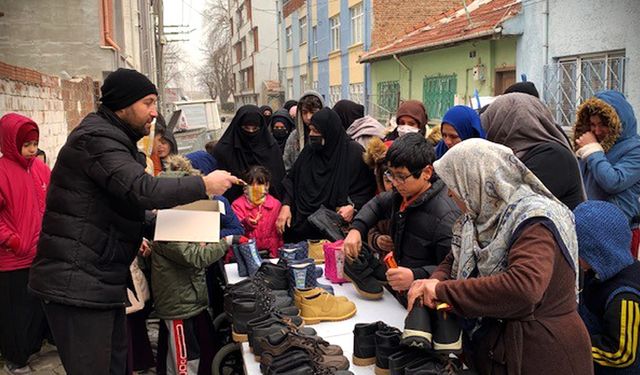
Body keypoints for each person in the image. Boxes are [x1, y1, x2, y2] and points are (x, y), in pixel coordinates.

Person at [28, 68, 241, 375]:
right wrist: (204, 185)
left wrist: (194, 225)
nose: (155, 112)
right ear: (122, 105)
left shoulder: (115, 138)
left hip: (101, 279)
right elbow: (140, 190)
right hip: (78, 284)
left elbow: (129, 208)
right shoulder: (96, 140)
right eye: (148, 102)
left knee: (116, 367)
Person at [408, 138, 592, 375]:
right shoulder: (480, 216)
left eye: (453, 185)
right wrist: (434, 281)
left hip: (541, 354)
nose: (451, 195)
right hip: (498, 349)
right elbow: (454, 259)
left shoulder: (535, 221)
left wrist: (443, 291)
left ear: (476, 180)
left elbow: (524, 288)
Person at [343, 133, 460, 296]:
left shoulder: (445, 215)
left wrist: (415, 275)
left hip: (423, 298)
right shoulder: (402, 195)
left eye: (401, 176)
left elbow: (451, 268)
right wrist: (356, 229)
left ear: (427, 172)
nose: (394, 183)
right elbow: (376, 204)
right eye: (390, 174)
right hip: (400, 291)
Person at [0, 113, 51, 374]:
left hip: (41, 253)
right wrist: (13, 240)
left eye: (34, 144)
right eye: (26, 145)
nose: (32, 150)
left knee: (38, 307)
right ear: (10, 143)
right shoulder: (1, 173)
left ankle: (36, 345)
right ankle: (16, 358)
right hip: (13, 258)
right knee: (15, 313)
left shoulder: (41, 169)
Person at [277, 108, 375, 243]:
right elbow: (291, 180)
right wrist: (286, 206)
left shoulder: (353, 153)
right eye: (310, 129)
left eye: (317, 131)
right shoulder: (309, 152)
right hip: (301, 231)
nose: (311, 134)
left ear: (330, 132)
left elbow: (367, 191)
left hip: (334, 233)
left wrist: (353, 207)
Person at [482, 92, 585, 210]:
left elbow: (510, 206)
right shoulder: (521, 154)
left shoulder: (552, 158)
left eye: (492, 121)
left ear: (504, 125)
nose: (488, 130)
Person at [575, 201, 640, 374]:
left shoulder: (624, 296)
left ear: (596, 252)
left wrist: (571, 347)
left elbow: (621, 353)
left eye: (578, 250)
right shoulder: (598, 272)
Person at [573, 90, 640, 225]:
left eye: (603, 125)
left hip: (618, 228)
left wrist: (592, 151)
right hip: (588, 222)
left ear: (617, 123)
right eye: (592, 125)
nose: (597, 131)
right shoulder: (594, 144)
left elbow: (613, 182)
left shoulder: (635, 149)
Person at [213, 105, 285, 203]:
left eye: (255, 129)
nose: (250, 132)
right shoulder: (224, 150)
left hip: (269, 209)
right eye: (246, 128)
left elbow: (278, 182)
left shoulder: (271, 148)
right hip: (234, 210)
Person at [232, 165, 283, 258]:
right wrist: (247, 223)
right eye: (251, 184)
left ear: (267, 185)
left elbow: (279, 236)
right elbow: (235, 231)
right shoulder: (237, 205)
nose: (255, 187)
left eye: (259, 184)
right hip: (247, 255)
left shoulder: (276, 205)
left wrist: (277, 254)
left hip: (272, 254)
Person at [362, 138, 395, 256]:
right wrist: (377, 240)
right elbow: (371, 229)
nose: (393, 185)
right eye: (387, 180)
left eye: (398, 177)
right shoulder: (379, 204)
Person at [283, 90, 324, 171]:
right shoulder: (294, 137)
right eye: (304, 112)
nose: (308, 117)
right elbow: (287, 166)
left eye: (313, 112)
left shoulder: (329, 135)